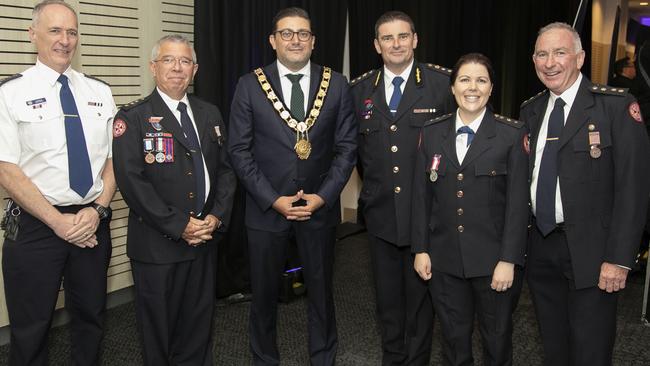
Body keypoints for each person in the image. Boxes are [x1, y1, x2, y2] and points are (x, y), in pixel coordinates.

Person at [228, 7, 357, 366]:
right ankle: (264, 360)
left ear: (313, 41)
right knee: (264, 297)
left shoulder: (337, 84)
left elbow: (347, 149)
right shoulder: (249, 85)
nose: (295, 40)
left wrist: (324, 196)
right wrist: (273, 200)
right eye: (286, 33)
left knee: (321, 294)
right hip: (266, 209)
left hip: (318, 208)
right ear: (272, 41)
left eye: (302, 33)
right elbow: (239, 151)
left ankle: (323, 359)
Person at [520, 22, 650, 366]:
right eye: (542, 54)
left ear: (579, 58)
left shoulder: (614, 107)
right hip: (542, 246)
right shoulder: (531, 111)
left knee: (590, 351)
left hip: (595, 254)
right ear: (533, 61)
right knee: (554, 347)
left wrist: (620, 258)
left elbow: (633, 189)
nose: (550, 62)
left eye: (560, 53)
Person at [0, 1, 116, 364]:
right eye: (55, 31)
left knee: (91, 320)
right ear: (32, 34)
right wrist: (58, 222)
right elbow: (5, 168)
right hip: (36, 227)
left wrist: (97, 210)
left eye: (72, 32)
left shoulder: (99, 91)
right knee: (31, 328)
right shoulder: (10, 93)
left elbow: (114, 161)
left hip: (91, 224)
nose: (65, 40)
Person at [111, 34, 236, 365]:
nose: (177, 68)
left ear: (194, 70)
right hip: (157, 246)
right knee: (159, 334)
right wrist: (180, 225)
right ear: (154, 67)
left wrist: (217, 217)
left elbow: (225, 171)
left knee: (198, 329)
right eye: (169, 60)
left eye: (185, 61)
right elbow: (132, 183)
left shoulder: (209, 113)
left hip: (203, 241)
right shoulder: (133, 117)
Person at [350, 10, 453, 365]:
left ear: (415, 39)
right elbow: (359, 154)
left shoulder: (443, 85)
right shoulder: (360, 90)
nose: (396, 44)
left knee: (421, 304)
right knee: (388, 303)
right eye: (388, 38)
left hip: (426, 218)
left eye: (403, 36)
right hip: (381, 218)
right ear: (377, 45)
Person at [411, 53, 528, 366]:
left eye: (481, 80)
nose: (472, 87)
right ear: (452, 88)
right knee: (453, 340)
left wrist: (508, 260)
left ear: (491, 89)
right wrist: (421, 249)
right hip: (444, 259)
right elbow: (422, 197)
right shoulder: (433, 132)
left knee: (497, 339)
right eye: (464, 79)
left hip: (493, 263)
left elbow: (518, 205)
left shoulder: (511, 135)